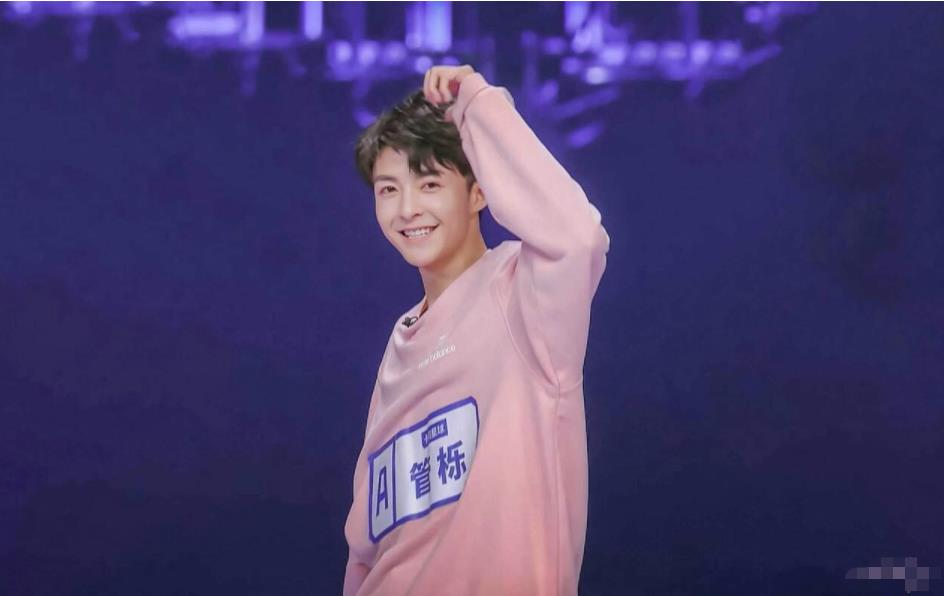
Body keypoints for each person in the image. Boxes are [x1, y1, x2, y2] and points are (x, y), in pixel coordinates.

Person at [343, 64, 610, 596]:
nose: (407, 209)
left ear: (479, 192)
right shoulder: (400, 342)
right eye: (388, 189)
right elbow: (367, 543)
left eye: (430, 184)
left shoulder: (521, 295)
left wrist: (476, 105)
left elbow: (578, 238)